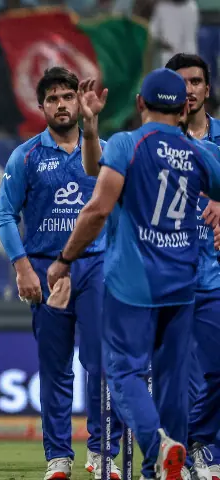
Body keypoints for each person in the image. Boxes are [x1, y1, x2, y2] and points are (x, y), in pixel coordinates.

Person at [46, 67, 220, 480]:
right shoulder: (200, 153)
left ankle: (156, 444)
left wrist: (65, 260)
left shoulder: (129, 142)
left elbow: (98, 207)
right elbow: (96, 169)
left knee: (122, 372)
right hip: (183, 284)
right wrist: (90, 128)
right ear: (183, 109)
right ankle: (159, 469)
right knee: (173, 383)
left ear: (140, 104)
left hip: (132, 283)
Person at [0, 67, 123, 480]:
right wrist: (22, 267)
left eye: (68, 96)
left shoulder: (101, 151)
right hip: (46, 269)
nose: (62, 104)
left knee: (100, 362)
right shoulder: (26, 156)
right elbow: (3, 216)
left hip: (96, 265)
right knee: (55, 366)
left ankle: (103, 452)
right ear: (41, 107)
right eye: (53, 98)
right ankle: (58, 456)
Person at [166, 53, 220, 478]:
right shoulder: (154, 141)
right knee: (175, 380)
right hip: (169, 276)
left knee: (217, 372)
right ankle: (183, 454)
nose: (189, 88)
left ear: (207, 87)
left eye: (196, 81)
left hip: (215, 275)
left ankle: (198, 441)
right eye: (181, 81)